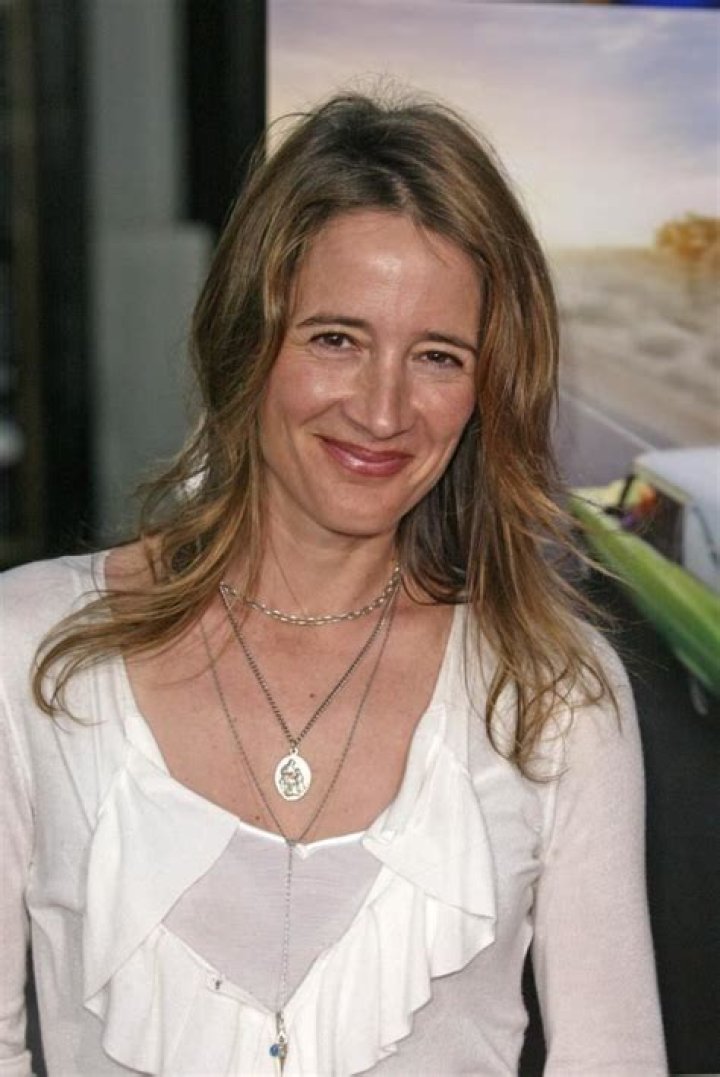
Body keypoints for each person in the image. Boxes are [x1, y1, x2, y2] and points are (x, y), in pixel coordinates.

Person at [0, 92, 667, 1076]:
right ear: (249, 340)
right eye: (336, 339)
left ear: (485, 391)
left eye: (437, 356)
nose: (383, 410)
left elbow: (613, 1057)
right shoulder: (31, 652)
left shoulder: (553, 693)